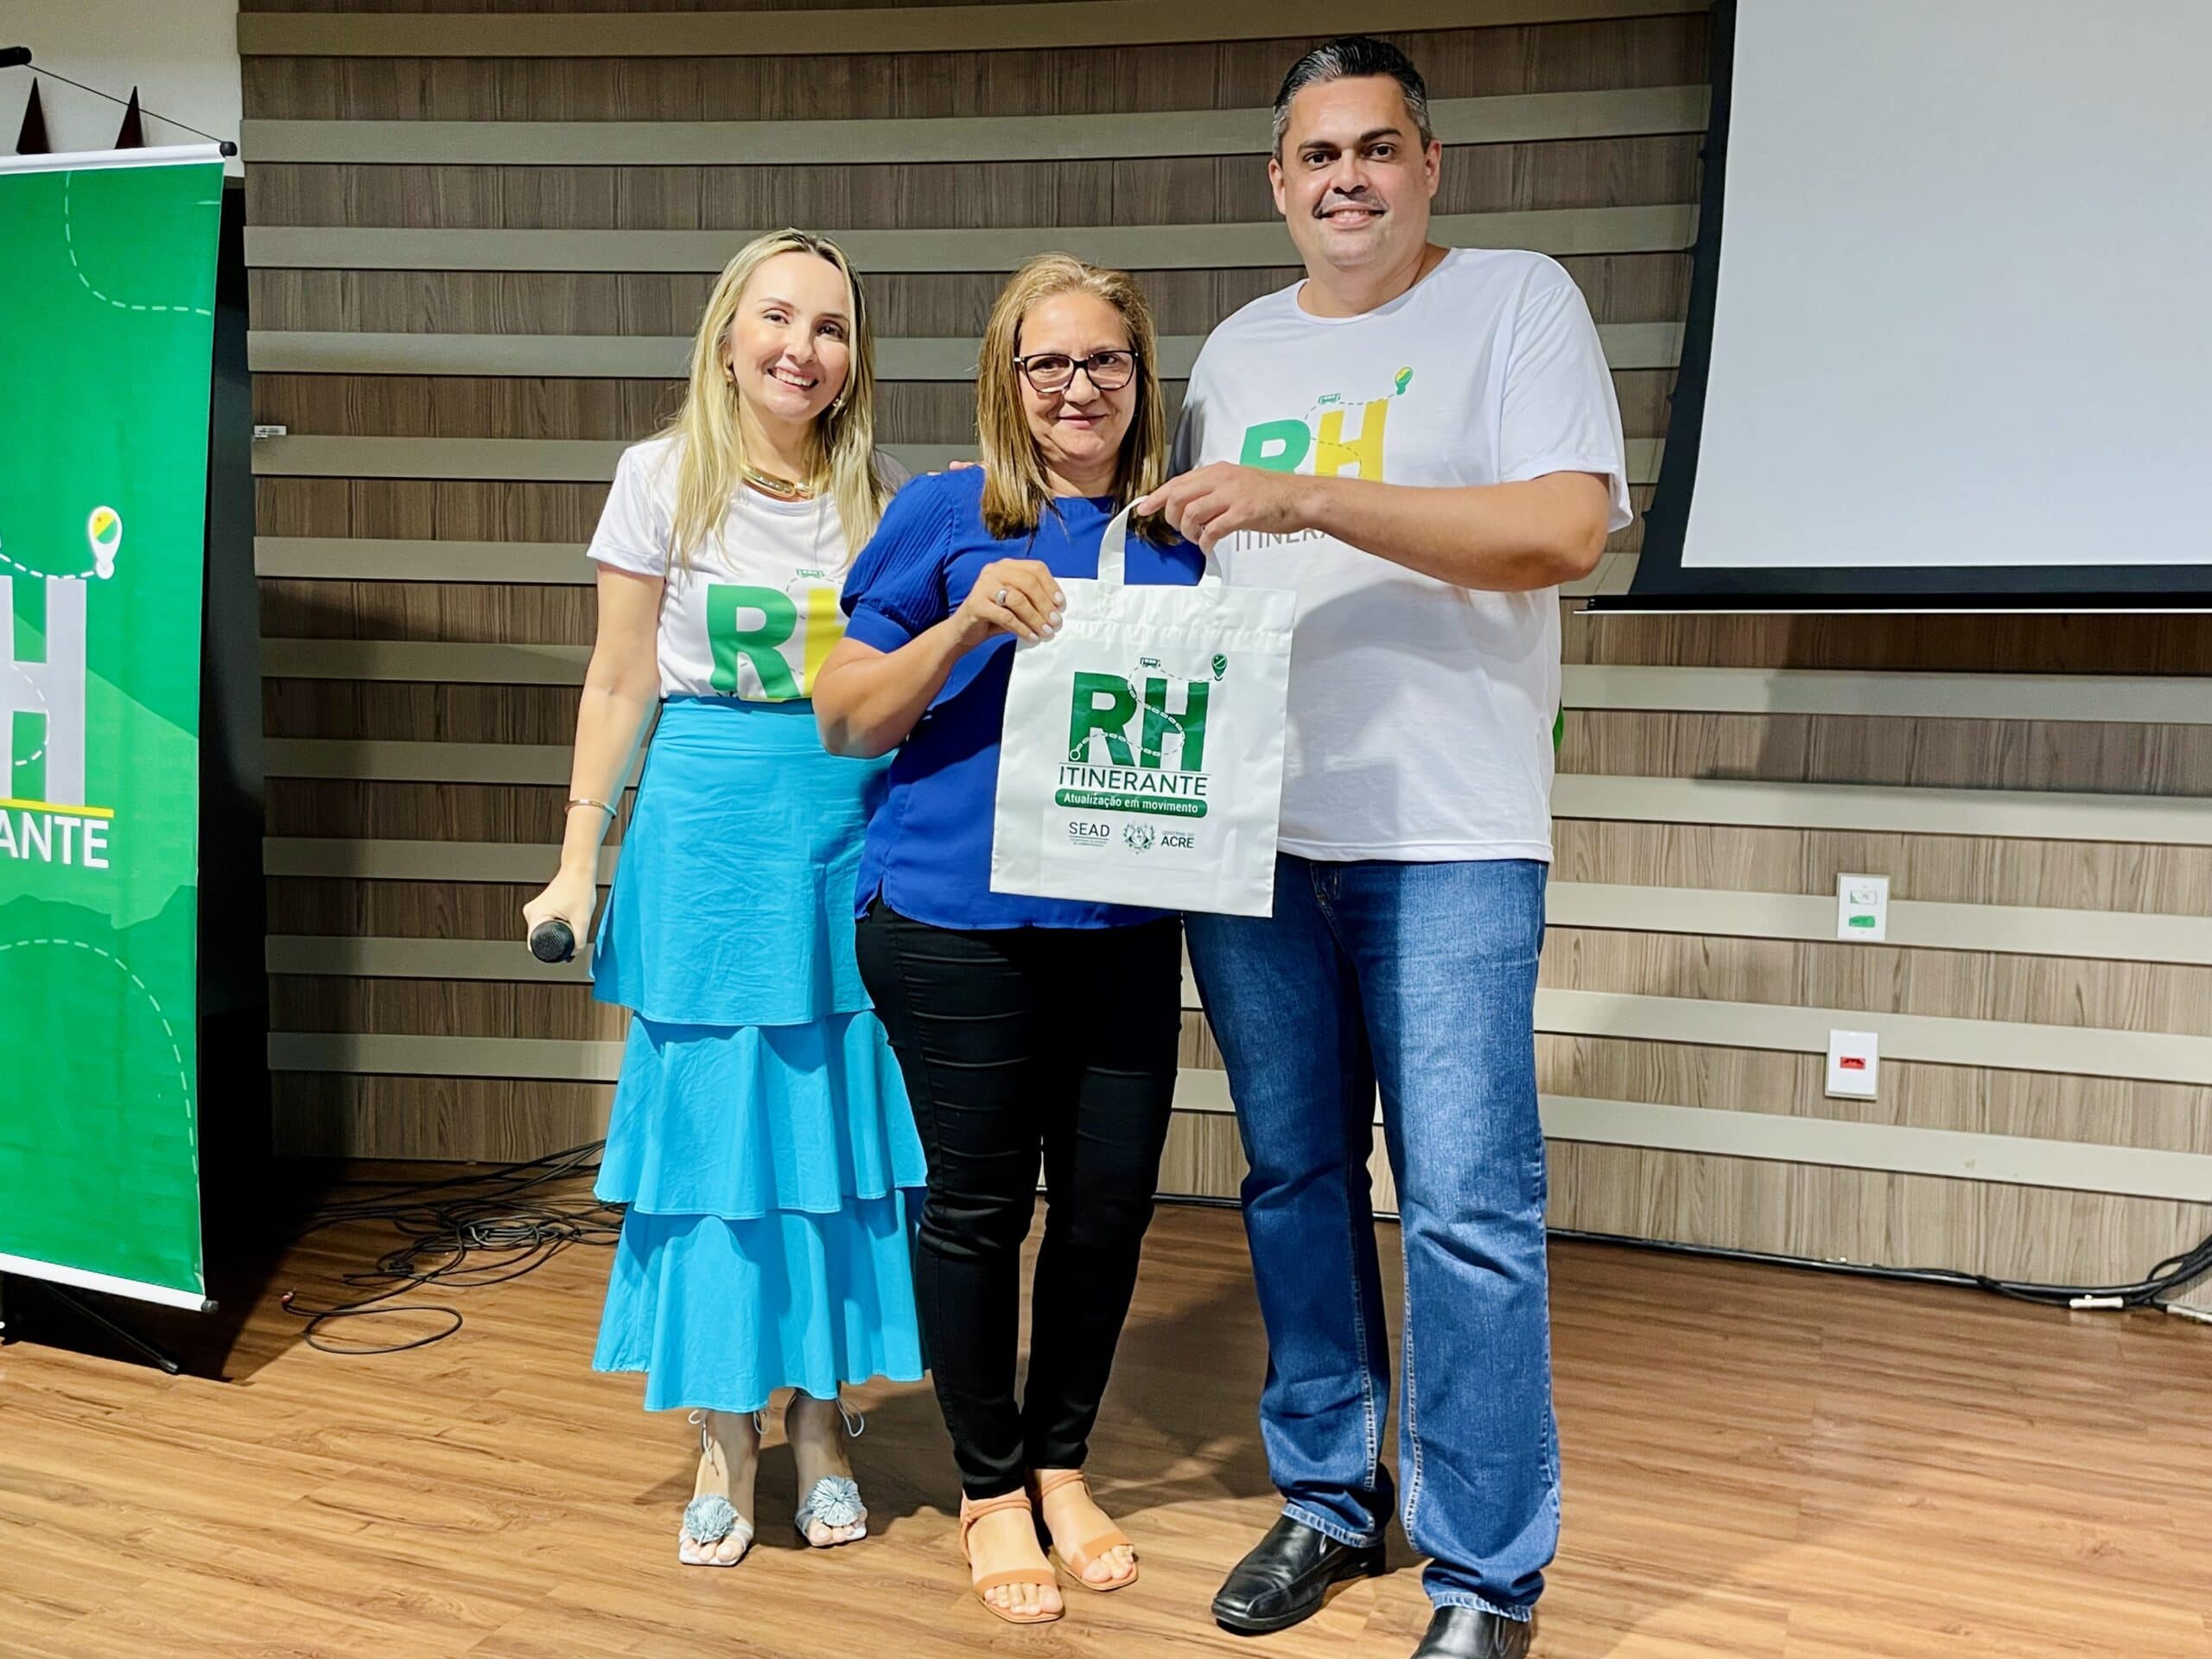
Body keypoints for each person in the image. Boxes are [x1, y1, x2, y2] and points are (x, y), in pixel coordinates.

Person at [1139, 36, 1630, 1659]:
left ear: (1429, 165)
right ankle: (1330, 1495)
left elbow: (1562, 528)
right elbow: (1200, 582)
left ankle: (1484, 1578)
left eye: (1375, 148)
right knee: (1292, 1182)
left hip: (1451, 834)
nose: (1346, 178)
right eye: (1317, 155)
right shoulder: (1238, 348)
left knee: (1467, 1209)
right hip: (1261, 832)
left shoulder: (1517, 302)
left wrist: (1314, 499)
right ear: (1278, 183)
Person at [521, 229, 925, 1570]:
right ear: (727, 334)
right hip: (704, 837)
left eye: (832, 326)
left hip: (843, 828)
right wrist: (578, 858)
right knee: (711, 1161)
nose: (803, 347)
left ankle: (818, 1423)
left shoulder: (885, 496)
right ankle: (722, 1436)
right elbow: (619, 678)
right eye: (779, 317)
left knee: (827, 1150)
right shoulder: (659, 478)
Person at [812, 254, 1201, 1626]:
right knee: (980, 1210)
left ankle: (1062, 1463)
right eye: (1049, 363)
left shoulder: (1180, 533)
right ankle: (990, 1491)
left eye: (1105, 361)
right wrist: (970, 621)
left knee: (1107, 1211)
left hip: (1123, 926)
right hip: (954, 925)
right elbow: (845, 715)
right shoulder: (945, 514)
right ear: (1007, 377)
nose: (1077, 387)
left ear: (1140, 378)